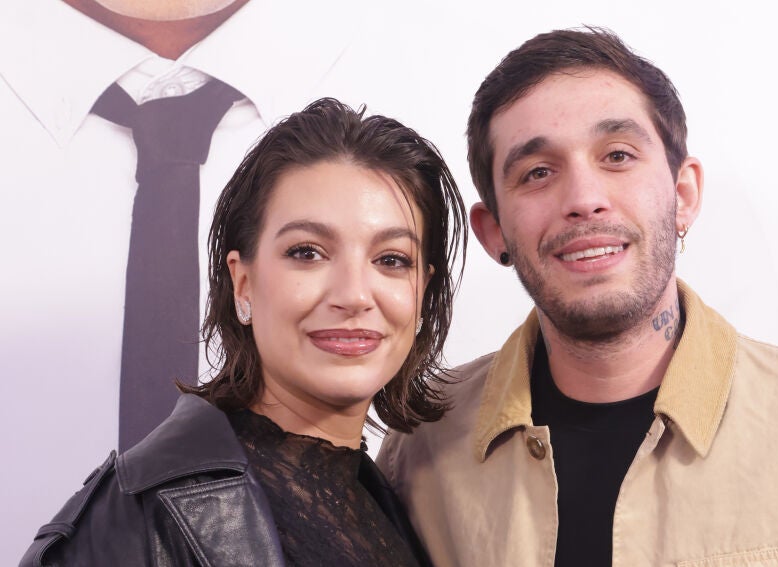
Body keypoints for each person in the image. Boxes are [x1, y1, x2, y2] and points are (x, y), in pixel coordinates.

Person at [377, 27, 778, 566]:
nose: (584, 198)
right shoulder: (421, 447)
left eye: (617, 156)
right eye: (537, 172)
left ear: (683, 194)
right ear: (494, 232)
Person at [21, 97, 466, 566]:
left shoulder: (396, 504)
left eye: (392, 260)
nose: (354, 295)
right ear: (243, 282)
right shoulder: (139, 516)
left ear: (423, 292)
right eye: (307, 252)